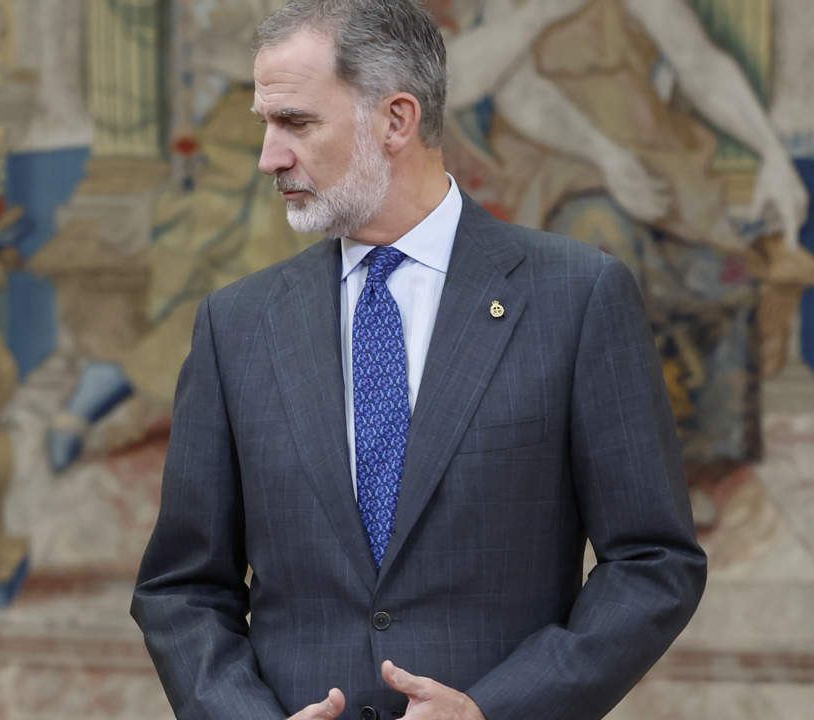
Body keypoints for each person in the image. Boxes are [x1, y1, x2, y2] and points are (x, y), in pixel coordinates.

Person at [130, 2, 707, 719]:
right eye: (265, 125)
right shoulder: (236, 324)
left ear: (396, 120)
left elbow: (654, 563)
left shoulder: (577, 297)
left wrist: (497, 710)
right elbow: (182, 588)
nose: (268, 157)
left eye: (296, 123)